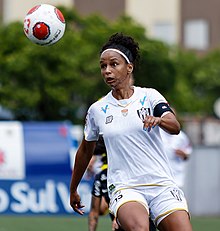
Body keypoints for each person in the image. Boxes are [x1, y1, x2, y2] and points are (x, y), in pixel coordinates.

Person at [70, 32, 192, 231]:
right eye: (103, 66)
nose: (107, 71)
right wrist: (73, 189)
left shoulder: (150, 96)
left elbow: (175, 126)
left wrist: (159, 120)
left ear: (129, 67)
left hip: (161, 184)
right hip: (125, 188)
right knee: (139, 229)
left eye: (113, 64)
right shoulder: (97, 110)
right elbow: (85, 151)